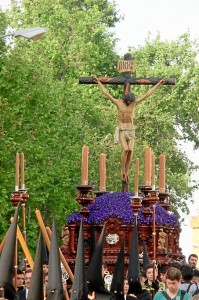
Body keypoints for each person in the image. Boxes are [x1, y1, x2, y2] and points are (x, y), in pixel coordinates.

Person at [93, 76, 165, 183]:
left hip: (131, 130)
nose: (129, 103)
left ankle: (127, 170)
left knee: (130, 150)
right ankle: (123, 169)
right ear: (125, 99)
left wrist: (158, 84)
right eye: (128, 101)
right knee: (125, 149)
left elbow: (147, 94)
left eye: (130, 102)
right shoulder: (118, 103)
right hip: (122, 130)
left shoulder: (134, 104)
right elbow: (106, 93)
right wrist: (99, 82)